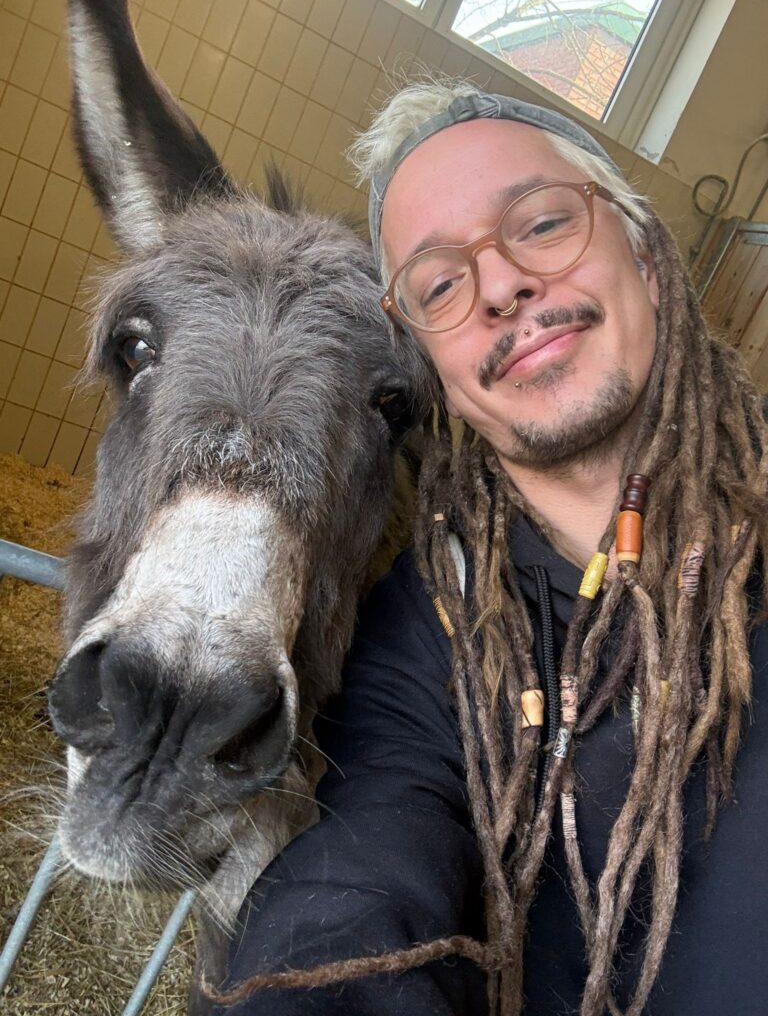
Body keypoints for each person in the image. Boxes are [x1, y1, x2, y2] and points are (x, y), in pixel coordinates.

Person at [211, 81, 768, 1016]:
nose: (502, 284)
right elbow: (370, 858)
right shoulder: (430, 622)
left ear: (648, 258)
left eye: (543, 224)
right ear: (436, 371)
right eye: (439, 284)